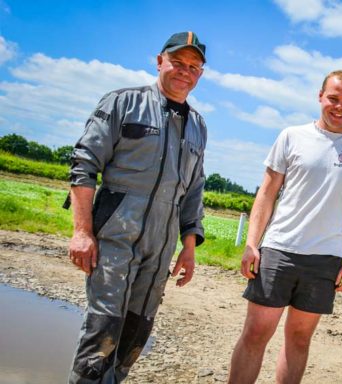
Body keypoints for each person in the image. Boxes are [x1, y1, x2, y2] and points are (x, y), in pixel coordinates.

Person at [66, 31, 208, 383]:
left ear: (200, 74)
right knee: (103, 331)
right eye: (177, 62)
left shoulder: (199, 127)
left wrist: (188, 248)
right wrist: (82, 232)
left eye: (193, 66)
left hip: (159, 249)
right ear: (159, 61)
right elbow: (83, 166)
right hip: (115, 238)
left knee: (134, 334)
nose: (184, 71)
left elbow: (193, 192)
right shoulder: (122, 103)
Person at [227, 70, 342, 384]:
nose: (339, 106)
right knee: (255, 334)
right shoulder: (292, 136)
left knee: (299, 340)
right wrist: (252, 244)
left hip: (324, 261)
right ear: (320, 97)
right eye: (333, 98)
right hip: (279, 250)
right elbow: (266, 193)